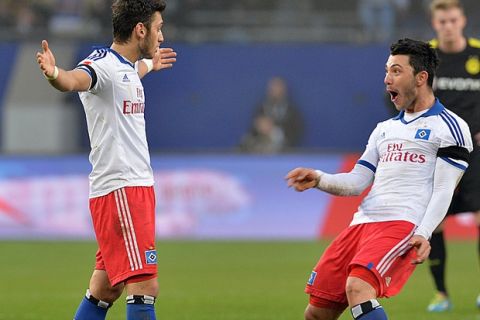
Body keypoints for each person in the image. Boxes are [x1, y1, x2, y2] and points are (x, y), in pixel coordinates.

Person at [285, 38, 472, 320]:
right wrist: (320, 178)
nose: (387, 79)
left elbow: (445, 189)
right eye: (386, 71)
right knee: (317, 313)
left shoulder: (451, 127)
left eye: (396, 71)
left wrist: (424, 232)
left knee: (359, 288)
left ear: (421, 77)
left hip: (402, 223)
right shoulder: (384, 129)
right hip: (361, 225)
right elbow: (358, 181)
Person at [35, 1, 177, 319]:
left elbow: (130, 74)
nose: (162, 36)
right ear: (140, 30)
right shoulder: (101, 64)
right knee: (144, 285)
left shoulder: (125, 68)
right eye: (159, 28)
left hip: (133, 188)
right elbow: (74, 80)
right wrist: (54, 73)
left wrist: (151, 65)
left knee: (105, 288)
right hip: (121, 190)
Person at [425, 0, 480, 312]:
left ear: (462, 21)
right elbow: (399, 93)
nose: (448, 26)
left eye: (453, 20)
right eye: (442, 21)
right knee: (436, 222)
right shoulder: (424, 56)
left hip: (478, 153)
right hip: (440, 153)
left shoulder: (477, 53)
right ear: (435, 24)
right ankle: (441, 294)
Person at [239, 76, 303, 153]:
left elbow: (295, 132)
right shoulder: (261, 108)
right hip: (260, 150)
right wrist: (261, 127)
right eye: (273, 88)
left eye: (278, 88)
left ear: (284, 90)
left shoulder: (292, 111)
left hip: (284, 151)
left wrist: (274, 131)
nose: (275, 91)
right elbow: (252, 129)